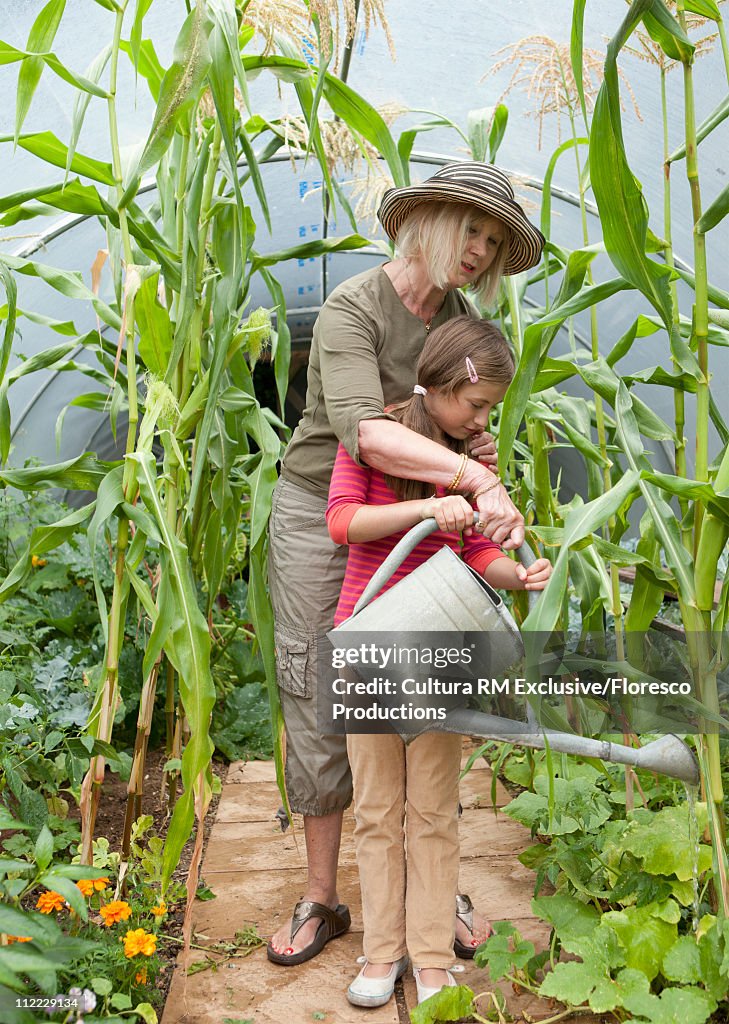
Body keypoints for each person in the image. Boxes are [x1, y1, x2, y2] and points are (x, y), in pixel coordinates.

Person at [266, 162, 545, 966]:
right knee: (322, 685)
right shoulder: (355, 307)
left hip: (424, 525)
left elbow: (455, 430)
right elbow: (368, 436)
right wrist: (468, 472)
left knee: (423, 690)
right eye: (471, 230)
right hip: (333, 515)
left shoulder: (459, 321)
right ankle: (323, 896)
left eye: (493, 241)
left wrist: (475, 448)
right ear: (425, 220)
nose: (479, 250)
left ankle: (435, 886)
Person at [325, 317, 552, 1006]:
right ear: (444, 382)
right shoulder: (381, 439)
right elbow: (342, 523)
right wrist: (428, 511)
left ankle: (428, 957)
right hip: (367, 647)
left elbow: (476, 554)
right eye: (475, 405)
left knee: (431, 810)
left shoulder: (467, 459)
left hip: (437, 651)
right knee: (374, 808)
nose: (481, 422)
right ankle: (379, 953)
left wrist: (514, 574)